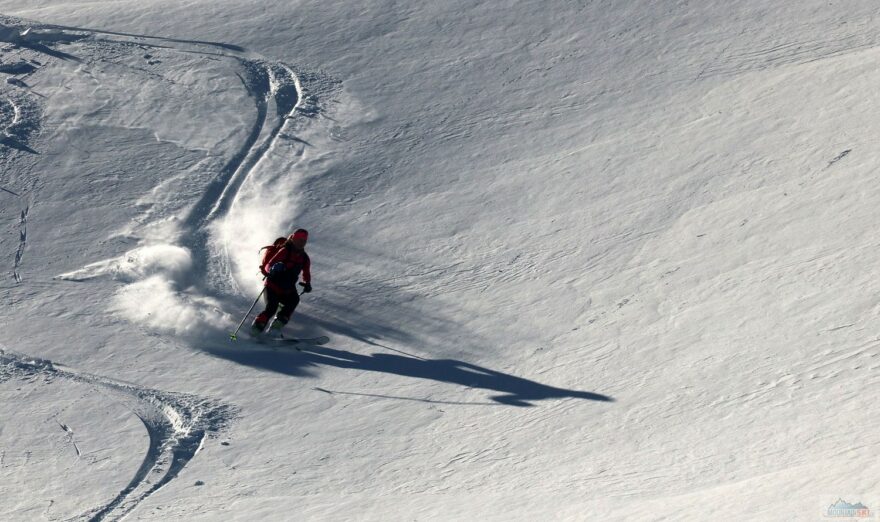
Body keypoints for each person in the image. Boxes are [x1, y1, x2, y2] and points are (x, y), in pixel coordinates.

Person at [251, 228, 312, 334]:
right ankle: (257, 327)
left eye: (304, 241)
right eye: (299, 240)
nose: (301, 243)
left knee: (294, 300)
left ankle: (276, 326)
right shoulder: (284, 251)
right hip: (272, 286)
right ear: (294, 239)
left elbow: (306, 272)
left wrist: (307, 283)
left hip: (288, 289)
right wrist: (273, 268)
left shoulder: (304, 258)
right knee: (271, 308)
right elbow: (269, 265)